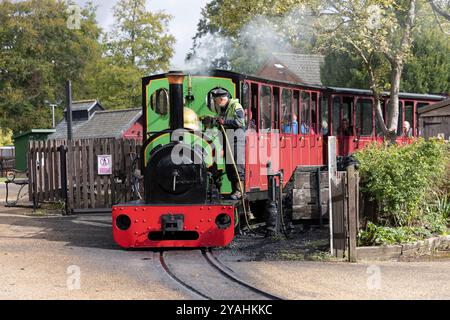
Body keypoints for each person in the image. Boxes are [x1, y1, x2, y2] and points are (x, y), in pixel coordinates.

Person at [211, 88, 246, 200]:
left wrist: (224, 122)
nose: (216, 103)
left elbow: (240, 122)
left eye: (216, 101)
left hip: (237, 139)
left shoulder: (236, 106)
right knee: (230, 166)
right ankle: (233, 190)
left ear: (221, 99)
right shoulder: (223, 109)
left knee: (237, 165)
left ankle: (239, 191)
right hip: (228, 139)